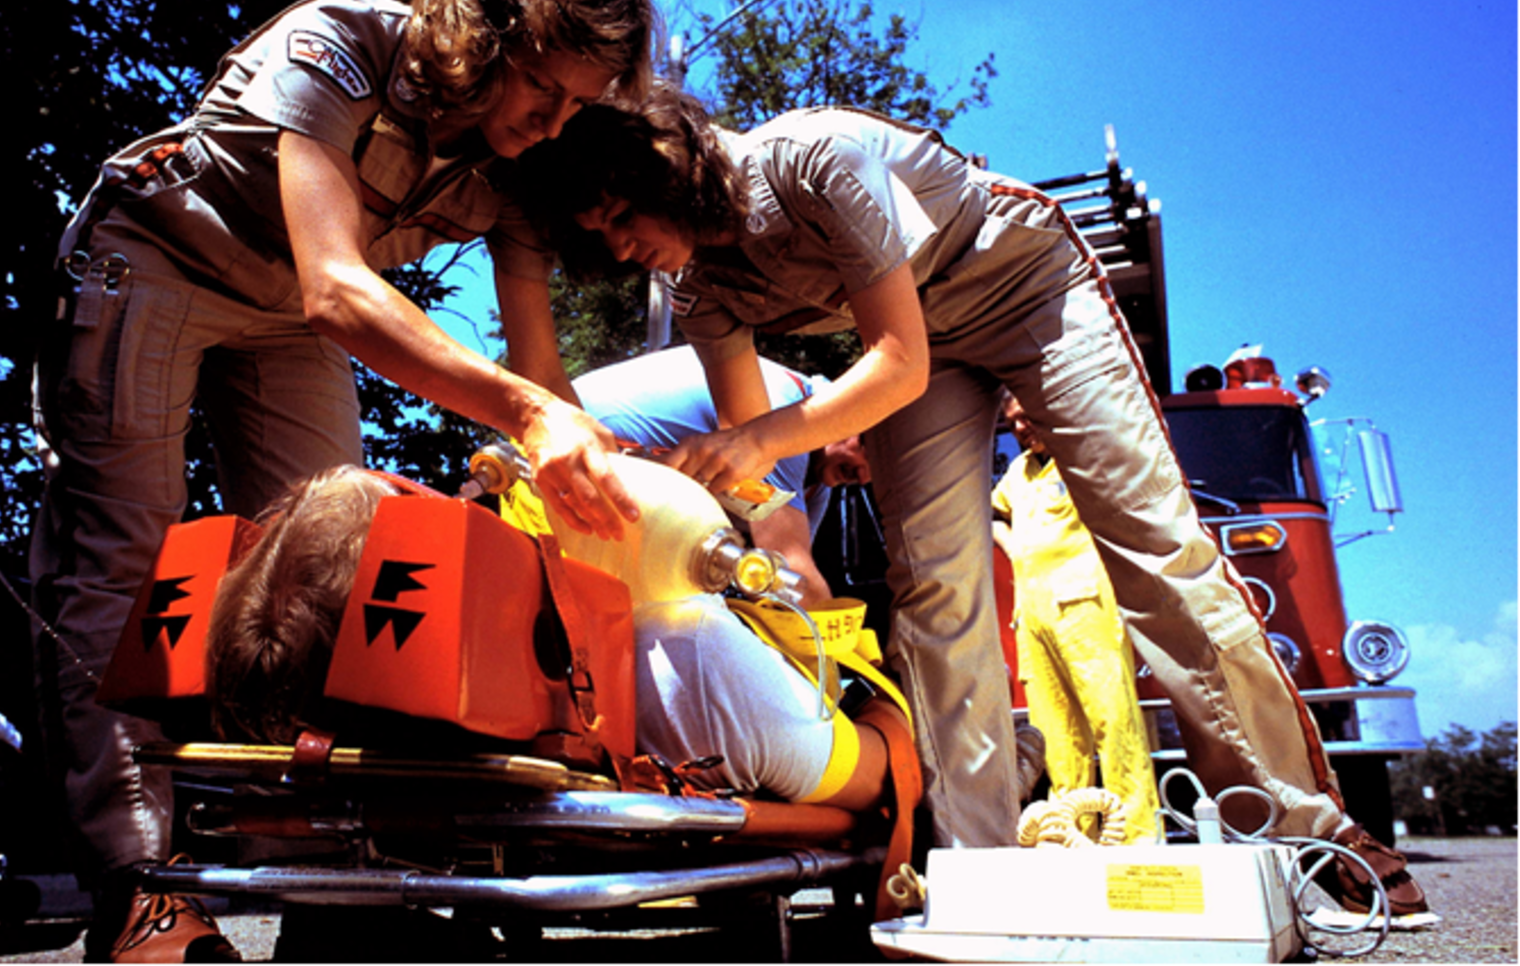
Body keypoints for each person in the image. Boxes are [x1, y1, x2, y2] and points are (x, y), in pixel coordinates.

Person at [517, 85, 1427, 915]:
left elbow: (889, 362)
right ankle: (979, 873)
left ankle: (1305, 831)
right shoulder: (699, 286)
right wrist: (702, 480)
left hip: (1023, 285)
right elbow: (760, 460)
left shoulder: (810, 156)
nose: (618, 243)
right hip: (925, 355)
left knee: (1150, 542)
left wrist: (750, 443)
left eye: (624, 214)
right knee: (936, 593)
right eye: (599, 234)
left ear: (672, 164)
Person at [28, 0, 656, 960]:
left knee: (336, 571)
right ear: (486, 32)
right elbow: (335, 282)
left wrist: (601, 477)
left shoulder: (526, 166)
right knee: (125, 565)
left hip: (282, 320)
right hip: (158, 254)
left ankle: (333, 891)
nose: (553, 123)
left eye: (578, 104)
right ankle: (140, 889)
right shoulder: (343, 43)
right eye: (543, 84)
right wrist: (531, 417)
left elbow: (540, 375)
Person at [205, 463, 897, 814]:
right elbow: (880, 774)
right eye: (440, 516)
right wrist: (888, 687)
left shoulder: (368, 747)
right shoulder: (689, 653)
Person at [572, 344, 870, 602]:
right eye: (868, 450)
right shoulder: (787, 410)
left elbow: (791, 579)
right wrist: (842, 651)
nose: (864, 474)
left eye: (876, 477)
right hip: (573, 451)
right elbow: (789, 570)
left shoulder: (817, 480)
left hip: (610, 485)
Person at [992, 395, 1161, 844]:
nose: (1022, 429)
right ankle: (1072, 834)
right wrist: (1019, 550)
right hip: (1032, 613)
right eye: (1013, 424)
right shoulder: (1018, 472)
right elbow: (991, 514)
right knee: (1055, 737)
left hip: (1084, 602)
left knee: (1113, 720)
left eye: (1027, 417)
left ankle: (1138, 836)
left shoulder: (1083, 455)